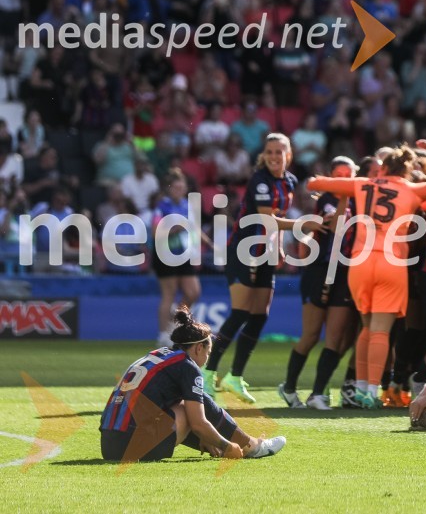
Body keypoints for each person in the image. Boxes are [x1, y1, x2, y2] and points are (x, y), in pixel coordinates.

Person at [307, 146, 426, 408]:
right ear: (405, 169)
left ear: (385, 167)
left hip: (359, 261)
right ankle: (371, 392)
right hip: (390, 262)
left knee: (367, 327)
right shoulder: (411, 189)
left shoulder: (363, 183)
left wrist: (335, 185)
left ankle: (359, 387)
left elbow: (317, 182)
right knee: (381, 331)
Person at [203, 133, 323, 403]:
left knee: (259, 316)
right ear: (263, 155)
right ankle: (207, 372)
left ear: (288, 155)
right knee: (240, 312)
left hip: (265, 254)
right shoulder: (259, 180)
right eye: (269, 151)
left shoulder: (289, 181)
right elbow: (268, 218)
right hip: (244, 251)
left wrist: (279, 245)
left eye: (279, 152)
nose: (273, 156)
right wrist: (303, 224)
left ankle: (234, 376)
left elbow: (275, 221)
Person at [100, 307, 285, 462]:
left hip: (108, 446)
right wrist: (226, 446)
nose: (206, 359)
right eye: (208, 353)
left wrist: (205, 435)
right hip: (132, 448)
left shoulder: (157, 354)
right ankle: (250, 446)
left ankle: (247, 443)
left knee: (189, 402)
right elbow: (198, 423)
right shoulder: (187, 366)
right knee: (195, 404)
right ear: (199, 348)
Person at [279, 156, 359, 410]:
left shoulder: (361, 202)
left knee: (335, 338)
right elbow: (336, 227)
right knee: (311, 336)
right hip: (321, 270)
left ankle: (317, 394)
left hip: (345, 273)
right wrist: (345, 195)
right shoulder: (327, 199)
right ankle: (289, 387)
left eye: (349, 175)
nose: (344, 180)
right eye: (339, 175)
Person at [151, 169, 211, 347]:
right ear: (169, 189)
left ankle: (175, 321)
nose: (179, 190)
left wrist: (209, 243)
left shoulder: (187, 205)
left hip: (185, 254)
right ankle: (163, 335)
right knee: (168, 294)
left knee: (193, 292)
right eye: (175, 187)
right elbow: (155, 233)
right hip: (165, 253)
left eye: (181, 187)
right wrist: (175, 228)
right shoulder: (162, 206)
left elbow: (194, 228)